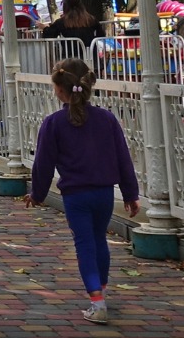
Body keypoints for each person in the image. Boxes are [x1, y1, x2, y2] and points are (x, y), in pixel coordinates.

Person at [30, 59, 140, 324]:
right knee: (99, 240)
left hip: (75, 195)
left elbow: (43, 163)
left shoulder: (53, 123)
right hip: (104, 192)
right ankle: (101, 292)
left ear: (58, 89)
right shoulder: (107, 119)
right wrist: (130, 193)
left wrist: (37, 194)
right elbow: (123, 157)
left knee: (84, 244)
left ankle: (96, 301)